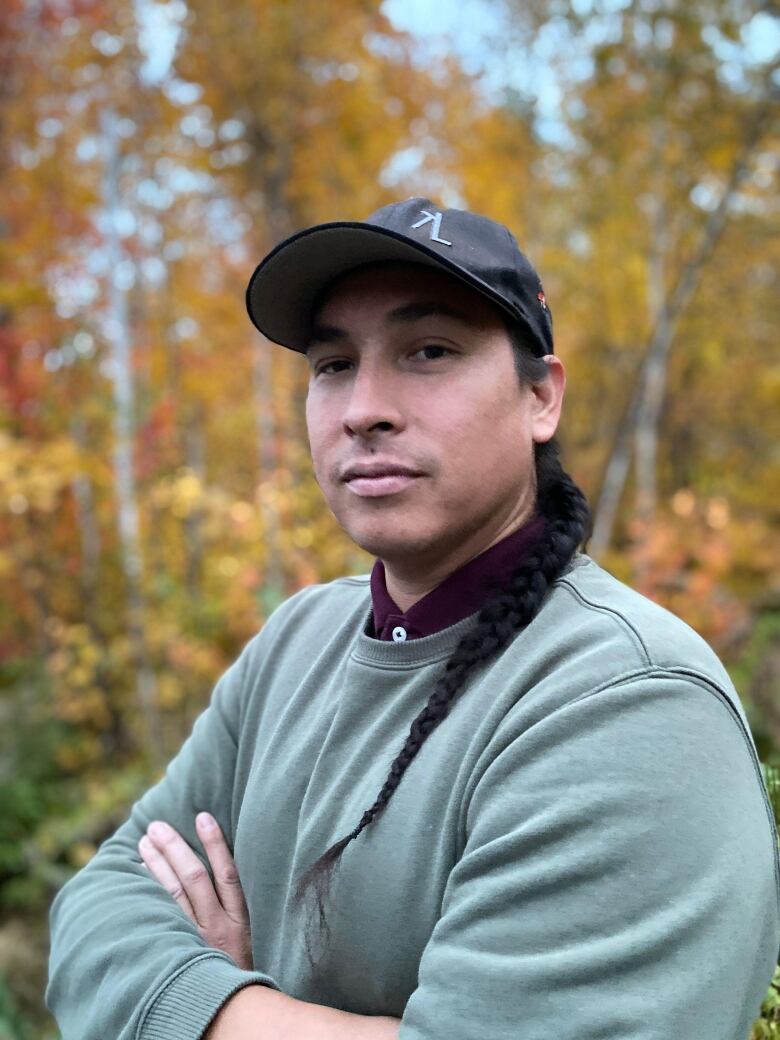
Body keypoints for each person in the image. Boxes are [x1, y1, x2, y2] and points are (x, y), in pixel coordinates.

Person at [46, 198, 780, 1040]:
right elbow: (97, 908)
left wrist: (215, 1008)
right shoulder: (296, 643)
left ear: (541, 397)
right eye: (332, 363)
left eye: (428, 351)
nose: (364, 408)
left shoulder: (629, 701)